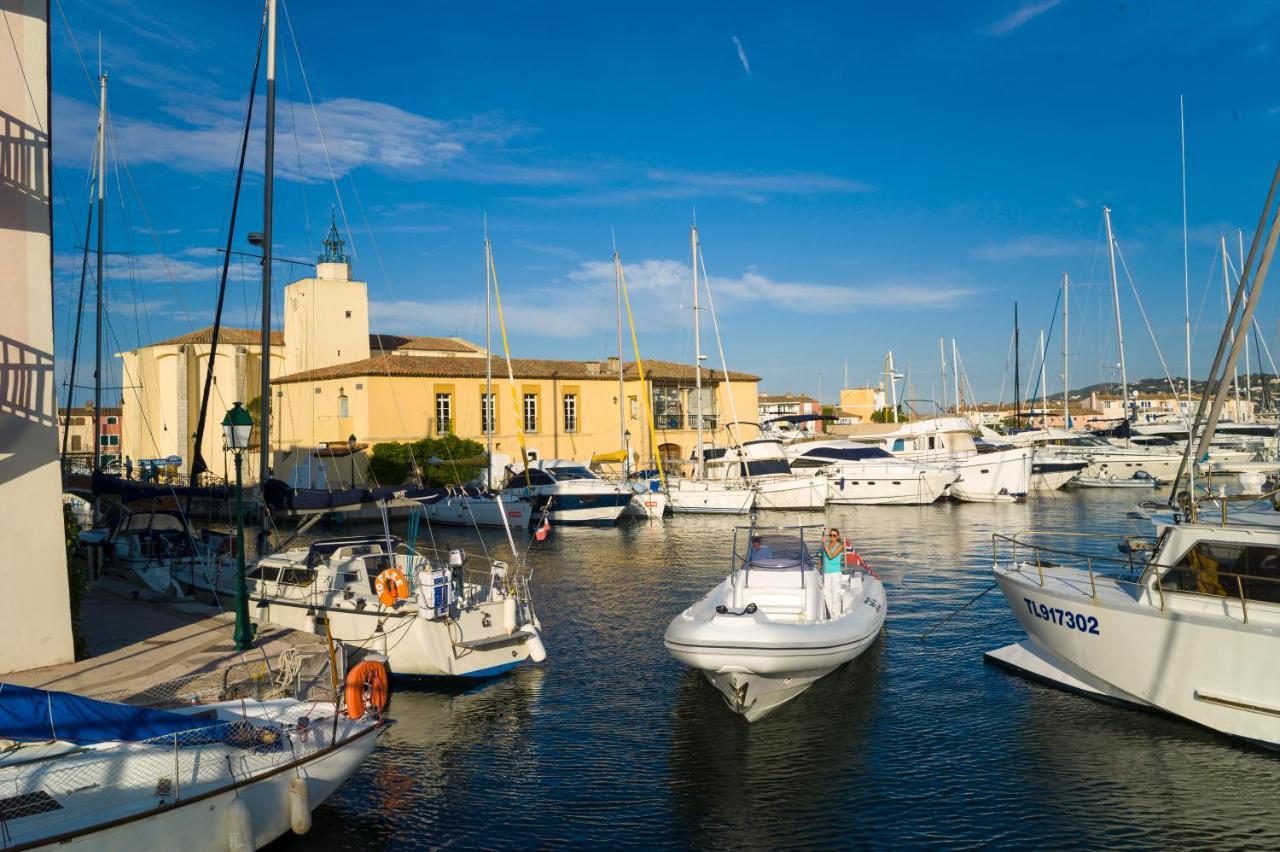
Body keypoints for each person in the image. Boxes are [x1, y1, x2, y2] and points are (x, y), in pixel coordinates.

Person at [821, 528, 846, 615]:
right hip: (826, 573)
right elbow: (823, 557)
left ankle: (837, 615)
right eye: (830, 535)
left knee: (835, 596)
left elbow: (831, 556)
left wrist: (823, 543)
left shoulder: (840, 545)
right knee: (827, 595)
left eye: (834, 536)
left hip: (835, 573)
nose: (832, 537)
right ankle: (832, 616)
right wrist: (820, 565)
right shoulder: (826, 544)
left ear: (838, 536)